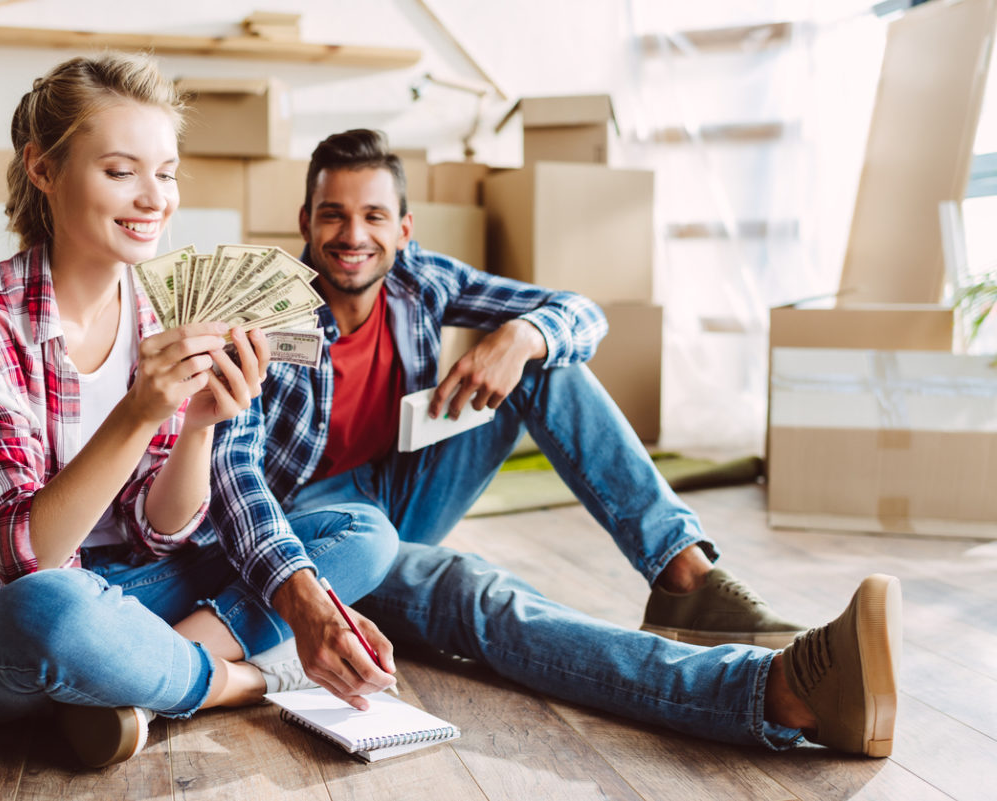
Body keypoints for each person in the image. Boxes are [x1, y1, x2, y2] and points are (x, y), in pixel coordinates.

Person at [202, 128, 904, 757]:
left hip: (401, 489)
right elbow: (234, 477)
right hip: (323, 535)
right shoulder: (264, 312)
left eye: (374, 216)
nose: (353, 234)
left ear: (405, 228)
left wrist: (522, 335)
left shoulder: (421, 282)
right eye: (333, 214)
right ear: (305, 221)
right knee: (475, 591)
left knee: (547, 363)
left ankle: (686, 578)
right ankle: (769, 693)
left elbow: (583, 313)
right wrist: (302, 596)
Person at [0, 56, 400, 769]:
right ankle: (234, 681)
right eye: (121, 171)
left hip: (134, 590)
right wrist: (137, 412)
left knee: (362, 532)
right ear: (42, 169)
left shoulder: (162, 311)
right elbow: (24, 555)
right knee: (57, 610)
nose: (154, 198)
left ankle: (126, 680)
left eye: (166, 173)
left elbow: (160, 534)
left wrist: (198, 427)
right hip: (9, 613)